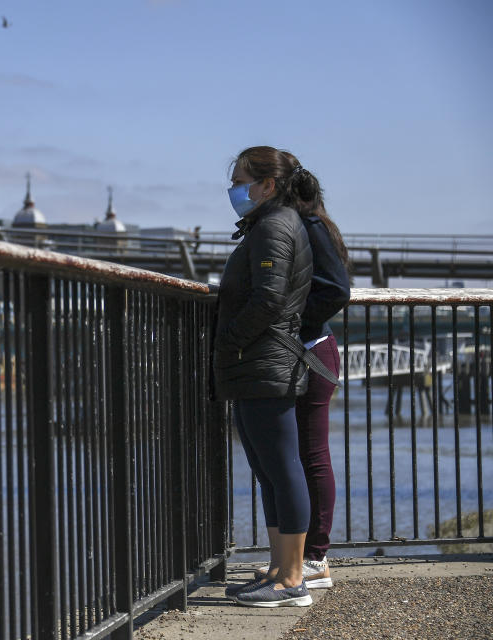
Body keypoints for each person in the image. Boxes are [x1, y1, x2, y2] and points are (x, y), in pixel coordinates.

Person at [214, 145, 314, 607]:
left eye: (240, 179)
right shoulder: (268, 223)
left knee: (281, 467)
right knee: (268, 470)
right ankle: (279, 568)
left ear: (267, 185)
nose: (233, 189)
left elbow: (269, 297)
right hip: (258, 362)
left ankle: (292, 577)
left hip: (265, 361)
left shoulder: (274, 225)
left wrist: (231, 338)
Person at [253, 151, 350, 589]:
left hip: (310, 349)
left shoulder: (306, 226)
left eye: (242, 181)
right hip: (303, 348)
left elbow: (335, 289)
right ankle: (302, 558)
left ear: (271, 184)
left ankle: (315, 557)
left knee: (310, 455)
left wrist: (291, 318)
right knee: (296, 456)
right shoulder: (299, 224)